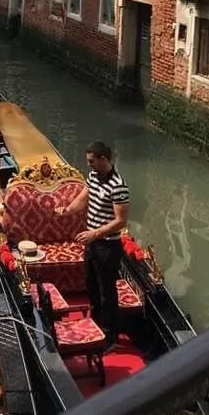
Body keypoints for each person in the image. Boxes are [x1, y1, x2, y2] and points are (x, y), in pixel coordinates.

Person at [57, 140, 129, 351]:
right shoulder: (93, 177)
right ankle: (97, 326)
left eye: (91, 161)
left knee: (107, 293)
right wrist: (66, 211)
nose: (89, 165)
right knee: (92, 286)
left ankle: (110, 338)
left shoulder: (118, 186)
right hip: (92, 244)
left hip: (108, 246)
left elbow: (121, 221)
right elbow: (82, 199)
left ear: (103, 159)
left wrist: (94, 234)